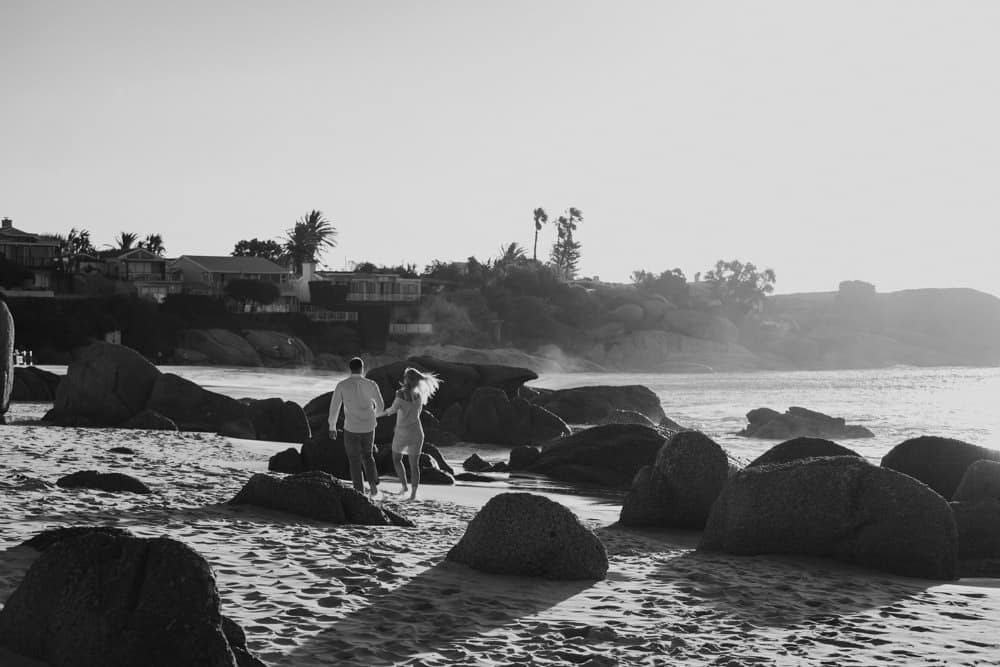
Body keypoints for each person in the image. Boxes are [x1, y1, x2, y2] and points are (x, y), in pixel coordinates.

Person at [377, 367, 441, 500]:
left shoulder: (400, 393)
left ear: (406, 379)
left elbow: (392, 410)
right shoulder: (419, 395)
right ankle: (413, 494)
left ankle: (405, 486)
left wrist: (376, 415)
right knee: (414, 465)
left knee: (396, 459)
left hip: (402, 433)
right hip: (417, 433)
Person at [328, 357, 384, 496]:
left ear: (350, 368)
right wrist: (372, 416)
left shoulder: (342, 385)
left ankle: (359, 491)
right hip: (369, 427)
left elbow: (335, 407)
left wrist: (332, 426)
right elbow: (381, 406)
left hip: (351, 428)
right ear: (362, 368)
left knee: (354, 460)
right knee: (368, 455)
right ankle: (373, 486)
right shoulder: (371, 384)